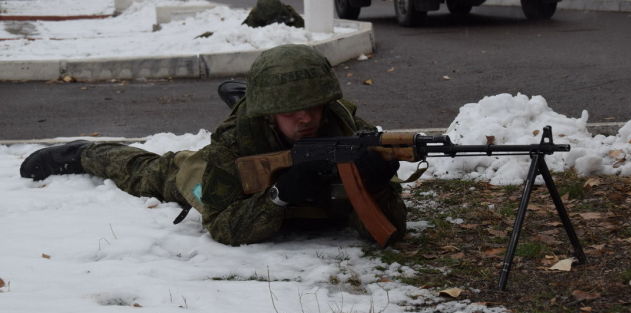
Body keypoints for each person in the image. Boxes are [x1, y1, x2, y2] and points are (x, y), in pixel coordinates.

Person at [20, 44, 407, 246]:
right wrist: (279, 196)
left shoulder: (350, 130)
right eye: (290, 111)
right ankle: (83, 153)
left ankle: (245, 97)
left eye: (312, 108)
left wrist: (376, 185)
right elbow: (221, 226)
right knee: (158, 174)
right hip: (236, 174)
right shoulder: (233, 143)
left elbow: (388, 229)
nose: (305, 119)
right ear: (271, 112)